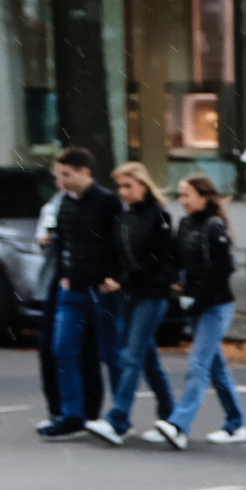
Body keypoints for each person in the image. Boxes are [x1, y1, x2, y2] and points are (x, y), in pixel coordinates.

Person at [152, 176, 246, 448]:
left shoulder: (214, 226)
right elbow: (174, 259)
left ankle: (178, 425)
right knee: (214, 367)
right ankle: (236, 423)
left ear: (204, 197)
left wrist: (199, 301)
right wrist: (175, 284)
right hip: (194, 303)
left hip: (215, 306)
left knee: (197, 366)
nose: (182, 200)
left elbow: (223, 270)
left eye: (187, 195)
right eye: (181, 195)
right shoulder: (185, 225)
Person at [89, 163, 178, 445]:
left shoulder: (159, 217)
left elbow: (157, 259)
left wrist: (123, 280)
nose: (123, 192)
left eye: (129, 186)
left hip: (152, 294)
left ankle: (117, 420)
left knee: (131, 356)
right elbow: (117, 254)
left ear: (143, 185)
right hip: (129, 293)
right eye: (120, 186)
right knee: (147, 360)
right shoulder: (124, 218)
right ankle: (170, 418)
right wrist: (112, 277)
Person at [37, 149, 122, 441]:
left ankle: (118, 415)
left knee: (109, 354)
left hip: (98, 289)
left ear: (84, 172)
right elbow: (64, 242)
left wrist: (113, 276)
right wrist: (63, 276)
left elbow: (117, 242)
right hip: (71, 289)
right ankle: (72, 414)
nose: (61, 181)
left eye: (66, 174)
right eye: (58, 175)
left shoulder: (107, 201)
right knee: (62, 350)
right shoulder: (65, 204)